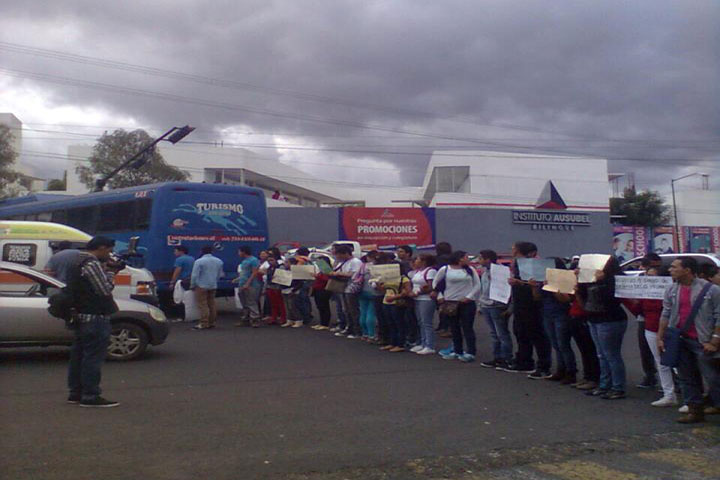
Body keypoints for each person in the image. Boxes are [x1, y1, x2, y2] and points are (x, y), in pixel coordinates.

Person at [658, 257, 720, 423]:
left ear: (687, 270)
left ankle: (715, 403)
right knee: (687, 377)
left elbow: (719, 315)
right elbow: (666, 313)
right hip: (680, 338)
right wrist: (661, 337)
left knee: (713, 377)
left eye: (674, 267)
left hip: (703, 340)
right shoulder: (672, 289)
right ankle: (695, 410)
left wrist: (715, 340)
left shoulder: (711, 290)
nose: (670, 270)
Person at [66, 236, 120, 408]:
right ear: (102, 247)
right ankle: (90, 395)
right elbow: (104, 290)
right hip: (95, 317)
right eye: (109, 250)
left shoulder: (75, 261)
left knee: (78, 357)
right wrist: (111, 272)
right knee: (93, 358)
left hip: (80, 315)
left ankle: (75, 393)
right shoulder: (91, 263)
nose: (109, 254)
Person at [577, 257, 628, 400]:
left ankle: (618, 387)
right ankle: (604, 384)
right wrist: (579, 281)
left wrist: (602, 280)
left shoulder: (614, 280)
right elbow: (584, 298)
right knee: (601, 354)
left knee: (611, 355)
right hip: (594, 318)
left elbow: (612, 299)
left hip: (610, 319)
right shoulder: (591, 279)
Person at [627, 266, 677, 407]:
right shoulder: (646, 293)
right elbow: (638, 311)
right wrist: (632, 300)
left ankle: (689, 397)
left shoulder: (671, 291)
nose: (649, 279)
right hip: (651, 329)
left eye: (653, 276)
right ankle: (669, 394)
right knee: (661, 362)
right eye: (647, 276)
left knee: (679, 363)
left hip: (670, 330)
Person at [507, 242, 552, 377]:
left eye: (515, 249)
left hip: (533, 304)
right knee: (520, 332)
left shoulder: (536, 265)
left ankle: (544, 365)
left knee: (537, 335)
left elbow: (538, 284)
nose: (513, 251)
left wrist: (520, 282)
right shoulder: (516, 264)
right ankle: (524, 361)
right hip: (519, 303)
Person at [433, 250, 481, 362]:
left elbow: (477, 285)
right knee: (454, 328)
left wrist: (469, 296)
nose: (468, 259)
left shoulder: (470, 270)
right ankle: (457, 350)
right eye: (466, 257)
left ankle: (471, 352)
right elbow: (436, 282)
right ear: (460, 258)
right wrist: (440, 295)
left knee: (467, 327)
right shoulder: (445, 269)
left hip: (467, 303)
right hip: (450, 302)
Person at [539, 258, 578, 384]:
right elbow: (537, 297)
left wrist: (553, 287)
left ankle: (571, 371)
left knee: (563, 344)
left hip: (561, 314)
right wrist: (536, 286)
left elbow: (566, 300)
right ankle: (561, 369)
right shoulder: (544, 280)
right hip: (547, 313)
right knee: (555, 344)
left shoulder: (565, 280)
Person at [477, 250, 512, 369]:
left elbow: (505, 288)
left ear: (487, 259)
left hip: (497, 305)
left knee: (502, 333)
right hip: (486, 304)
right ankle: (497, 357)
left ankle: (506, 358)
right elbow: (483, 288)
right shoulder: (484, 271)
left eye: (481, 258)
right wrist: (480, 304)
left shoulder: (501, 271)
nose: (479, 260)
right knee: (493, 333)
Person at [635, 254, 662, 389]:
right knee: (645, 348)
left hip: (662, 318)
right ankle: (650, 375)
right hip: (644, 317)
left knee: (665, 351)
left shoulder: (665, 277)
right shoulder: (641, 278)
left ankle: (675, 381)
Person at [330, 245, 363, 338]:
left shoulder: (355, 262)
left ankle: (357, 331)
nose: (338, 257)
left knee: (353, 310)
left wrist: (339, 273)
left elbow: (354, 274)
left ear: (346, 253)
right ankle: (349, 328)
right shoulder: (344, 262)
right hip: (344, 287)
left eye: (339, 255)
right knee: (346, 309)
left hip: (352, 288)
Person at [190, 246, 224, 330]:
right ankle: (212, 322)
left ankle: (204, 323)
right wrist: (215, 281)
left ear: (201, 251)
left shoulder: (199, 261)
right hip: (213, 285)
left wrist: (193, 285)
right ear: (212, 251)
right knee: (212, 303)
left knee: (203, 304)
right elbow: (220, 274)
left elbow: (194, 275)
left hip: (201, 285)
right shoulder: (219, 261)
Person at [410, 254, 437, 355]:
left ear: (424, 261)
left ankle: (430, 345)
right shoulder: (418, 271)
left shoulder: (430, 271)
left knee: (427, 322)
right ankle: (423, 342)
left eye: (417, 259)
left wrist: (418, 292)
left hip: (426, 299)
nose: (415, 261)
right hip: (417, 299)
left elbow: (431, 287)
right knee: (420, 322)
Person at [233, 246, 262, 327]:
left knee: (251, 302)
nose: (238, 253)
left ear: (244, 252)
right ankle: (246, 319)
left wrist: (248, 283)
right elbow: (244, 272)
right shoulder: (244, 261)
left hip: (251, 285)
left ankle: (255, 319)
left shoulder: (254, 260)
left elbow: (254, 273)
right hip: (242, 284)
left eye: (239, 251)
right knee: (244, 303)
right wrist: (237, 279)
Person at [358, 251, 381, 342]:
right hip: (373, 291)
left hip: (362, 290)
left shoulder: (363, 266)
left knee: (363, 312)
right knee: (371, 313)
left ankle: (365, 333)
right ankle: (372, 334)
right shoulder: (377, 267)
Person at [169, 245, 194, 321]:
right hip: (190, 280)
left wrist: (172, 282)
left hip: (182, 281)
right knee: (189, 298)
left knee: (179, 299)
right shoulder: (192, 258)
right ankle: (190, 315)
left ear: (181, 251)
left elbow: (177, 271)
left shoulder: (179, 259)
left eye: (175, 251)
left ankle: (181, 317)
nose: (174, 253)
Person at [434, 241, 453, 337]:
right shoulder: (452, 258)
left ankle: (446, 327)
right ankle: (444, 326)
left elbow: (439, 273)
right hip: (451, 285)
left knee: (443, 308)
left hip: (442, 285)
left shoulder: (440, 259)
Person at [310, 256, 333, 330]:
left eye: (320, 261)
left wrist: (317, 276)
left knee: (324, 306)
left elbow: (326, 279)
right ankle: (321, 323)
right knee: (320, 306)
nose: (318, 263)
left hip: (323, 290)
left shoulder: (327, 270)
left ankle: (325, 324)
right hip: (317, 289)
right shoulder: (321, 270)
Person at [263, 255, 286, 325]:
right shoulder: (269, 268)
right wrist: (265, 288)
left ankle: (283, 318)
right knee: (273, 304)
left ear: (276, 260)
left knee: (281, 304)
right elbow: (267, 279)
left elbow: (283, 277)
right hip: (270, 287)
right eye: (268, 261)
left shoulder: (280, 267)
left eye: (272, 260)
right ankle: (274, 317)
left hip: (278, 287)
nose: (270, 262)